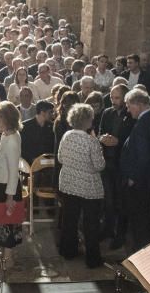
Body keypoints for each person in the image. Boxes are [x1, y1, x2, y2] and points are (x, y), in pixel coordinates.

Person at [119, 88, 150, 249]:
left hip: (139, 182)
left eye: (129, 105)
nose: (127, 109)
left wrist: (133, 178)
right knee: (147, 217)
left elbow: (142, 155)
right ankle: (148, 248)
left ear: (139, 104)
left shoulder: (143, 124)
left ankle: (140, 252)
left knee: (139, 220)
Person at [57, 105, 105, 266]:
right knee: (90, 223)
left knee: (69, 219)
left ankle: (68, 251)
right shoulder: (91, 141)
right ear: (87, 120)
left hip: (69, 183)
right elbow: (99, 166)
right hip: (88, 187)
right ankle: (92, 259)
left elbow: (60, 158)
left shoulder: (66, 135)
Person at [0, 101, 24, 263]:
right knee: (0, 219)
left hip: (8, 187)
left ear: (7, 118)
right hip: (0, 184)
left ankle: (8, 257)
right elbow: (1, 151)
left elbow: (14, 171)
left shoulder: (13, 139)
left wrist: (10, 197)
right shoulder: (7, 134)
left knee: (7, 221)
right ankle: (3, 254)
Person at [98, 84, 133, 248]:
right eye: (112, 97)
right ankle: (107, 229)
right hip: (107, 162)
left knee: (121, 201)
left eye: (117, 97)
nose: (113, 100)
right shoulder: (107, 112)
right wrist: (103, 138)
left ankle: (120, 235)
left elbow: (132, 139)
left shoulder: (132, 115)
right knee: (108, 200)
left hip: (122, 163)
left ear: (125, 99)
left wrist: (118, 142)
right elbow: (100, 131)